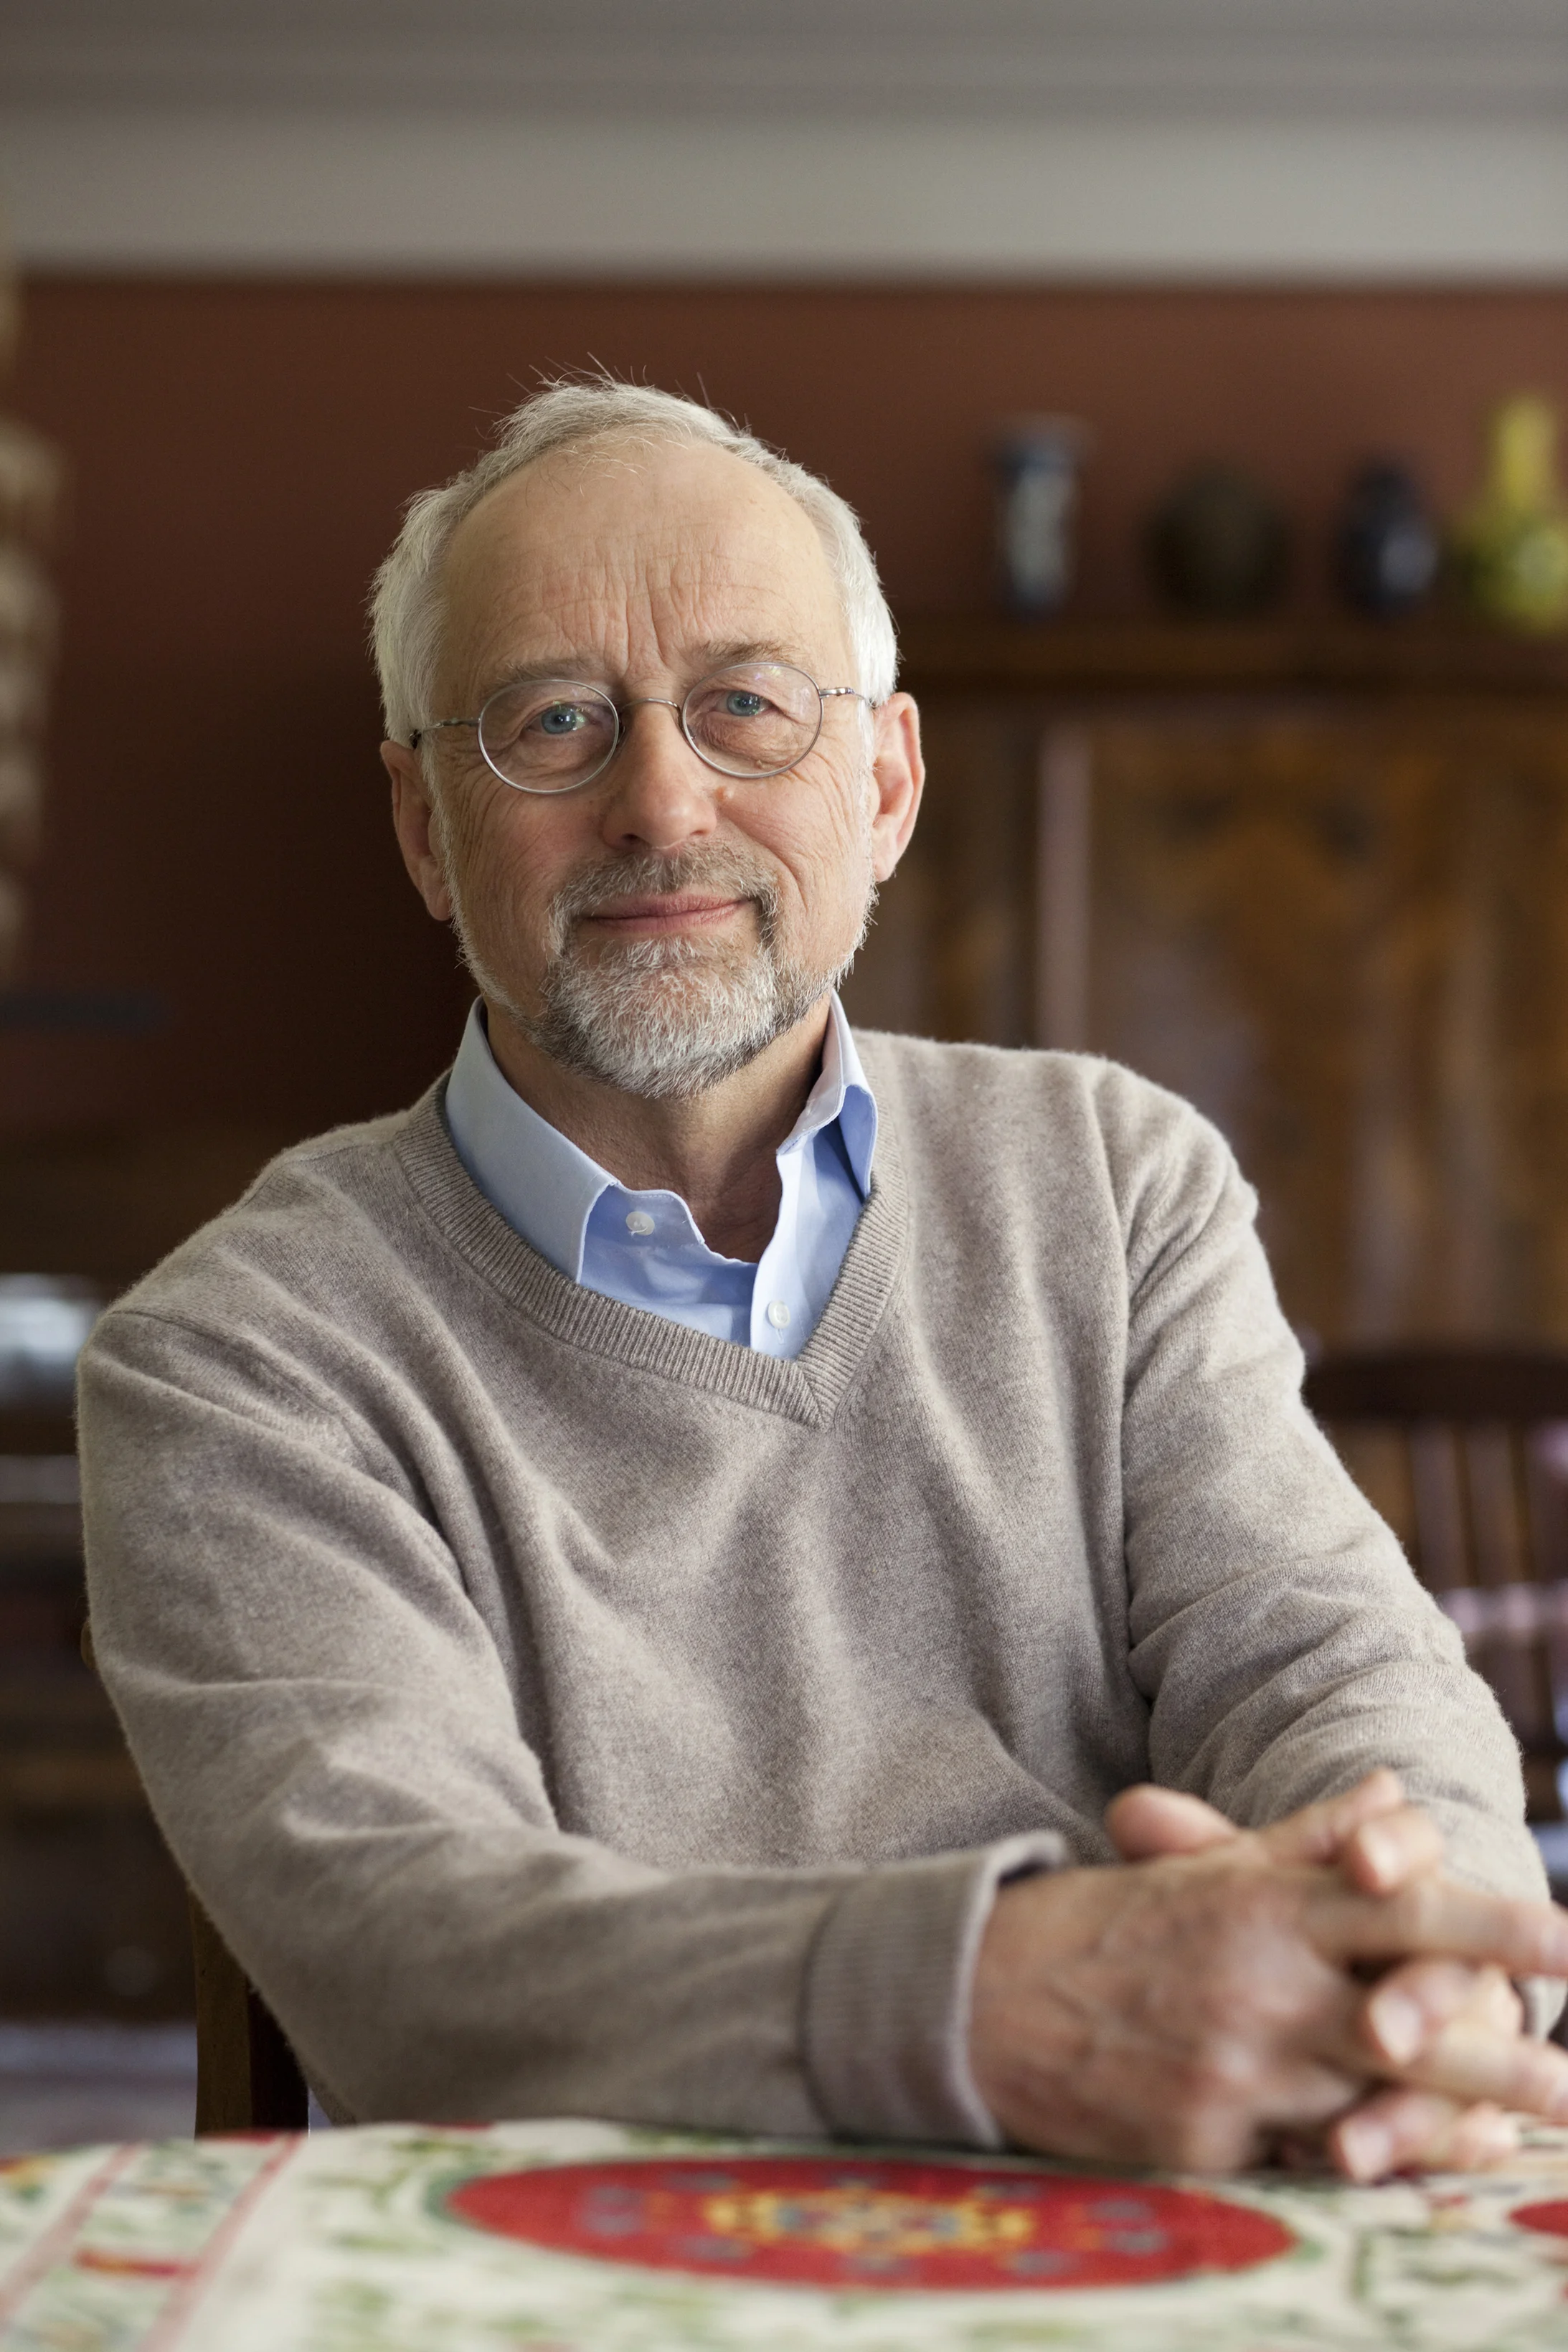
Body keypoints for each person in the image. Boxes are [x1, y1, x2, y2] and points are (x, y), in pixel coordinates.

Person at [79, 382, 1568, 2181]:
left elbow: (1338, 1677)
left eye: (746, 707)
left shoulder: (1113, 1183)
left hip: (1171, 2214)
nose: (660, 800)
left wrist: (1421, 1959)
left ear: (881, 786)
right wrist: (1011, 1994)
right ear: (419, 826)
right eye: (553, 721)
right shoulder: (230, 1358)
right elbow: (414, 1954)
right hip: (591, 2273)